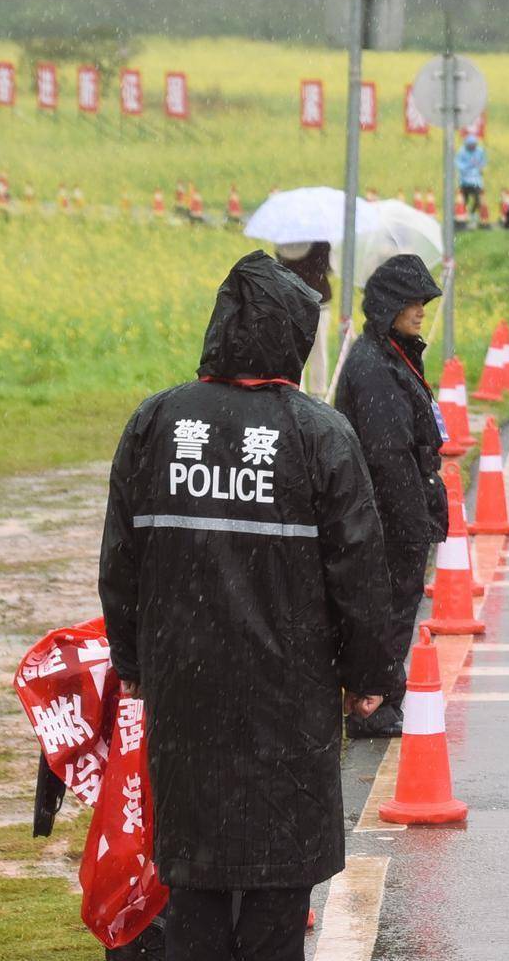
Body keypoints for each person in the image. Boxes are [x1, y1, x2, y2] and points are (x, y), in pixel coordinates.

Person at [99, 251, 400, 961]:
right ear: (293, 336)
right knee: (277, 882)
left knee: (195, 879)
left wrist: (132, 656)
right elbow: (359, 566)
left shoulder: (158, 422)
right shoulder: (318, 434)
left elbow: (121, 557)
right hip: (287, 698)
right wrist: (368, 675)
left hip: (187, 690)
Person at [333, 254, 446, 738]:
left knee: (392, 605)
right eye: (411, 301)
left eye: (423, 300)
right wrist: (411, 523)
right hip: (386, 514)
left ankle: (381, 694)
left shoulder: (391, 355)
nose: (420, 309)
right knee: (388, 607)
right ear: (387, 307)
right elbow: (388, 453)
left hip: (390, 510)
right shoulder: (375, 366)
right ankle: (373, 703)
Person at [275, 241, 334, 397]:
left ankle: (311, 395)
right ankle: (307, 395)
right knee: (306, 351)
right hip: (302, 300)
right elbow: (327, 267)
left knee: (310, 351)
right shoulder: (318, 237)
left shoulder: (315, 237)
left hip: (308, 300)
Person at [455, 135, 487, 227]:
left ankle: (472, 215)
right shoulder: (462, 152)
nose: (473, 146)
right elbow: (459, 164)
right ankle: (461, 218)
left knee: (478, 199)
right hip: (465, 181)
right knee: (464, 200)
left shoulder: (479, 151)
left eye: (474, 144)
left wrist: (480, 168)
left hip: (476, 181)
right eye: (471, 145)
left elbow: (483, 162)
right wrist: (469, 166)